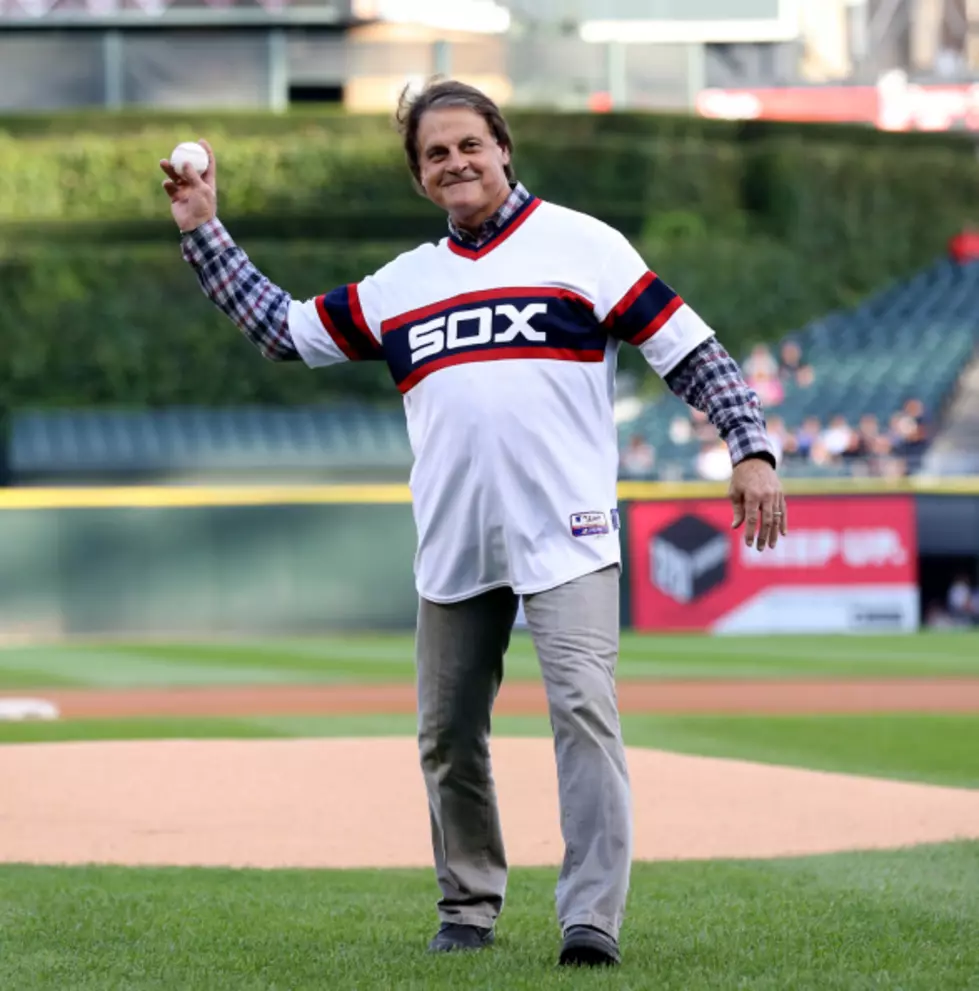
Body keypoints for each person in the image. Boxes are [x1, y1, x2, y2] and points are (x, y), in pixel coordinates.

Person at [160, 78, 787, 968]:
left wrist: (749, 445)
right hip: (455, 541)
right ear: (420, 179)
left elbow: (687, 348)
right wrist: (201, 228)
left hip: (566, 532)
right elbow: (282, 329)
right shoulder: (401, 285)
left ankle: (590, 919)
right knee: (449, 735)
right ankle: (468, 903)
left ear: (501, 147)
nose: (454, 161)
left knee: (582, 710)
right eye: (434, 153)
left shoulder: (583, 246)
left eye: (467, 144)